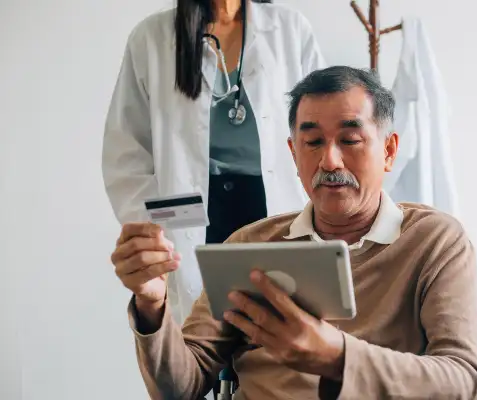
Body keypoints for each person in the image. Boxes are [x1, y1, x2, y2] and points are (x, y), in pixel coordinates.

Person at [111, 66, 477, 399]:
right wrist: (151, 305)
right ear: (293, 154)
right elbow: (178, 387)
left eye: (350, 140)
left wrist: (338, 357)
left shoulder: (435, 241)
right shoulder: (250, 244)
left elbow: (465, 383)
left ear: (389, 151)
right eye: (312, 142)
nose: (329, 160)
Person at [102, 0, 326, 324]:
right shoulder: (151, 38)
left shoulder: (290, 29)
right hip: (197, 218)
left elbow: (322, 126)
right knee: (203, 340)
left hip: (272, 209)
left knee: (278, 337)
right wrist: (156, 232)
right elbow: (126, 153)